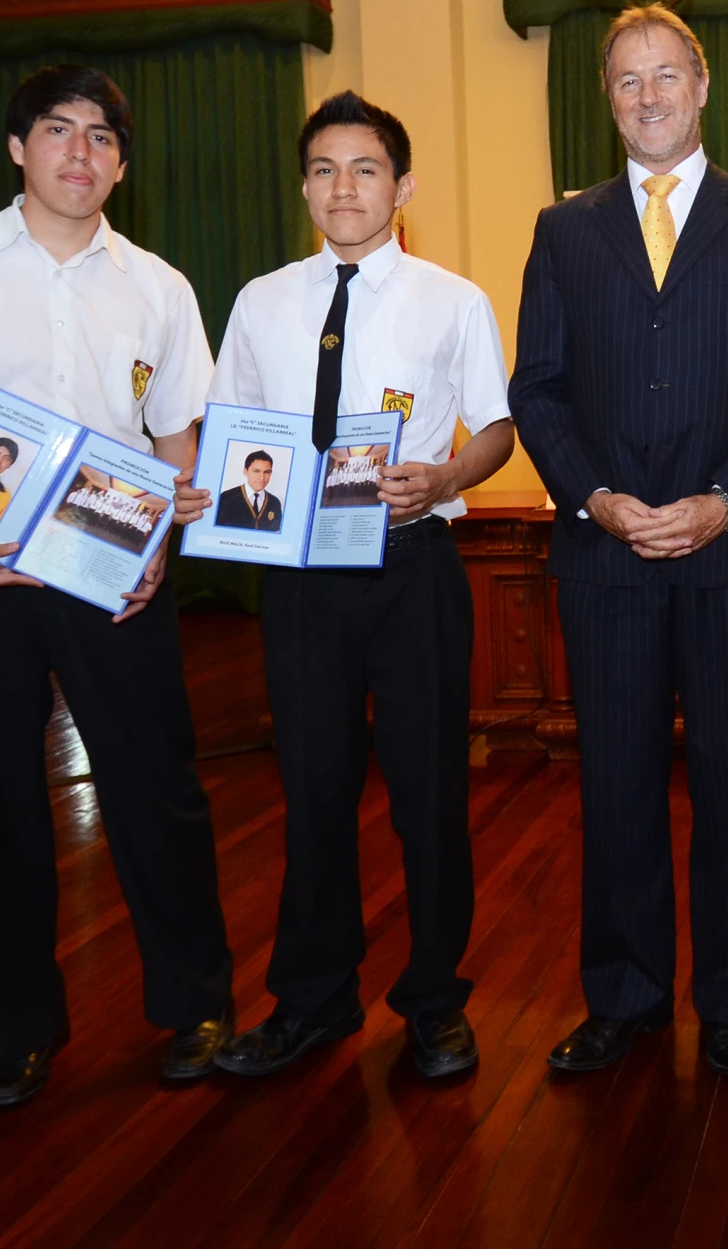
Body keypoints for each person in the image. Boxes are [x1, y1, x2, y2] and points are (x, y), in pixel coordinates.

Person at [0, 65, 234, 1107]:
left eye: (104, 136)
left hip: (110, 563)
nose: (83, 151)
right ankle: (19, 1032)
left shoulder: (157, 286)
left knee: (156, 791)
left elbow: (175, 435)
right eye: (59, 131)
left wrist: (160, 537)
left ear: (122, 161)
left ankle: (196, 1005)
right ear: (18, 148)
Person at [511, 4, 728, 1079]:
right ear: (605, 99)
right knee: (614, 784)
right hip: (601, 555)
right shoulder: (564, 231)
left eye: (664, 76)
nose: (646, 97)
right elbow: (537, 389)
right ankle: (625, 999)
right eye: (624, 81)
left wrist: (726, 501)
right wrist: (593, 497)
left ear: (701, 86)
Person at [209, 91, 515, 1082]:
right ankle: (312, 999)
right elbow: (230, 433)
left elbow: (498, 428)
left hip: (412, 569)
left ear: (402, 185)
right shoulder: (260, 301)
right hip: (299, 577)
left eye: (366, 169)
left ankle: (433, 999)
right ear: (304, 186)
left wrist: (446, 477)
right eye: (325, 170)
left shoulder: (452, 300)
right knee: (312, 790)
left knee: (426, 791)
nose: (345, 188)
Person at [214, 449, 282, 530]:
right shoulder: (226, 498)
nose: (262, 478)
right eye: (256, 471)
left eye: (267, 472)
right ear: (245, 471)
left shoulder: (274, 502)